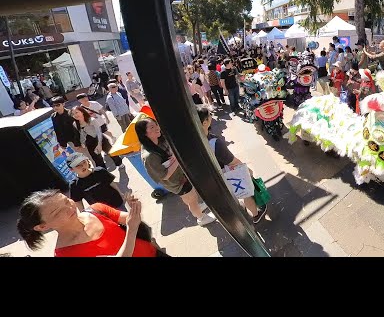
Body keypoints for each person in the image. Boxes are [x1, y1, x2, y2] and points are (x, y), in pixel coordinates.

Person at [17, 189, 164, 257]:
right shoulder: (65, 255)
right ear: (42, 226)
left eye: (66, 200)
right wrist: (131, 230)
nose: (69, 207)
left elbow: (131, 220)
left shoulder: (97, 209)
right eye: (57, 212)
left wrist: (134, 209)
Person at [135, 117, 215, 226]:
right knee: (191, 198)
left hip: (181, 175)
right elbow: (165, 176)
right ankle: (201, 218)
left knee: (191, 198)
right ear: (144, 133)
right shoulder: (149, 156)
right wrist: (178, 158)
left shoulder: (159, 139)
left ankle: (196, 207)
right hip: (177, 182)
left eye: (156, 124)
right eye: (152, 127)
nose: (157, 128)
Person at [196, 105, 268, 224]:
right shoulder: (215, 143)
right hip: (226, 175)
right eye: (209, 116)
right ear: (204, 123)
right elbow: (232, 161)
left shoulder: (195, 141)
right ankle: (256, 215)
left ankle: (241, 209)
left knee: (231, 196)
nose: (211, 117)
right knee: (245, 193)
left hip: (211, 180)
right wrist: (246, 169)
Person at [72, 106, 124, 170]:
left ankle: (119, 163)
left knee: (110, 151)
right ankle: (104, 173)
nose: (75, 115)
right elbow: (81, 134)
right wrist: (83, 143)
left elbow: (99, 132)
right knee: (97, 159)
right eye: (73, 114)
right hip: (90, 142)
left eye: (76, 112)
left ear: (82, 112)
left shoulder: (91, 120)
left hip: (100, 138)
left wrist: (99, 144)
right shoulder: (75, 124)